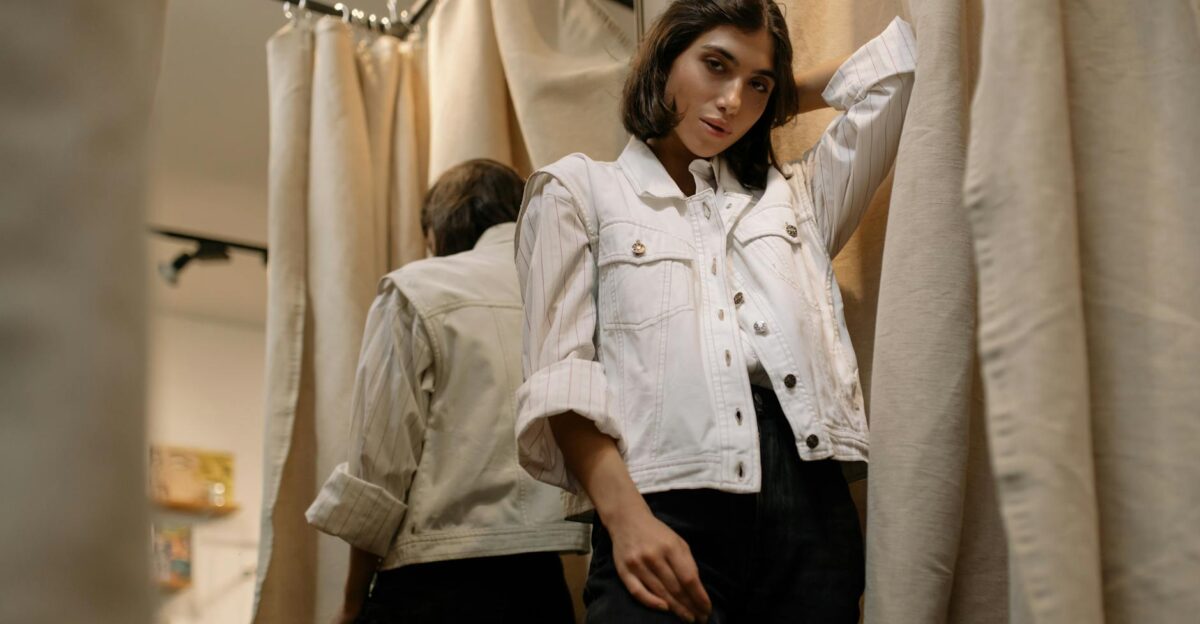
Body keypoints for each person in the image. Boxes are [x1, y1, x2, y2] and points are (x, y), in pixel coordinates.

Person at [515, 1, 915, 622]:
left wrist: (780, 96)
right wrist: (628, 523)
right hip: (662, 499)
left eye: (756, 82)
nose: (733, 100)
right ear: (662, 60)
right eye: (715, 65)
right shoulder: (578, 192)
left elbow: (900, 71)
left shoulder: (796, 200)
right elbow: (562, 379)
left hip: (810, 508)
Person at [307, 159, 590, 624]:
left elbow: (379, 467)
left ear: (439, 231)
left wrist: (352, 603)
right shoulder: (567, 293)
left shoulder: (417, 290)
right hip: (542, 586)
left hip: (431, 585)